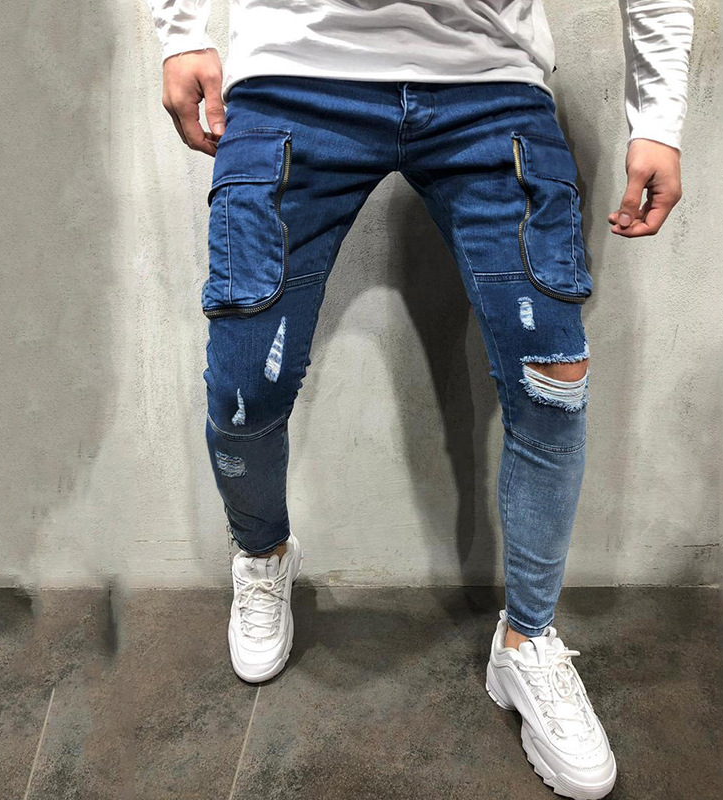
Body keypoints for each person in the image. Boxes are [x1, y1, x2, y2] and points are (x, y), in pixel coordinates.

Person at [145, 2, 694, 797]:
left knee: (552, 384)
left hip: (490, 82)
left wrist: (660, 117)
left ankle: (527, 641)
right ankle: (263, 556)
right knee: (243, 388)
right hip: (296, 71)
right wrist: (182, 32)